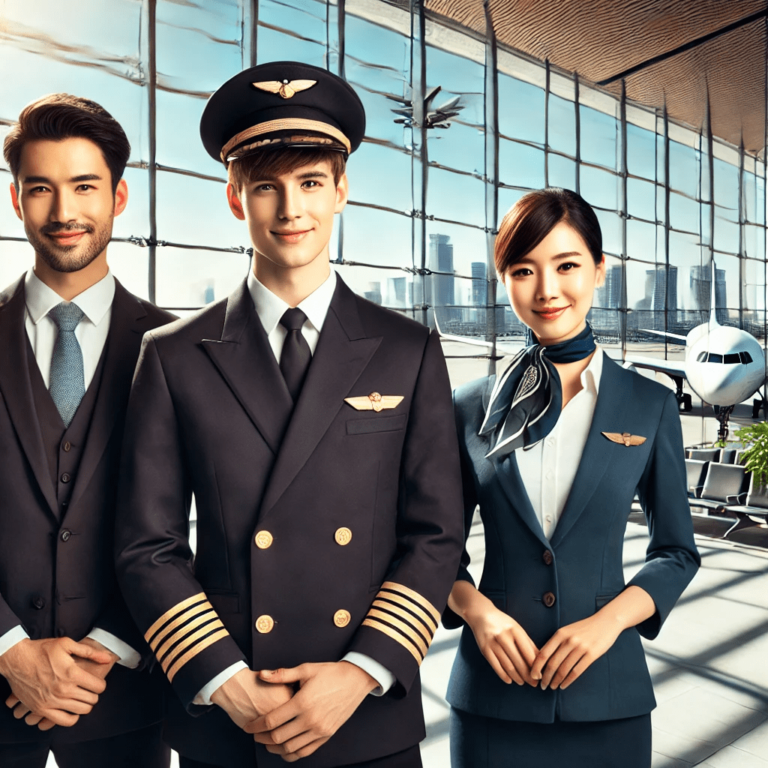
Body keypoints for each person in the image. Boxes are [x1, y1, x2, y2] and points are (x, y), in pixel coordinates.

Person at [114, 61, 464, 768]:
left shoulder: (409, 350)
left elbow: (437, 534)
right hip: (230, 711)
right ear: (235, 199)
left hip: (366, 714)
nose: (290, 210)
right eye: (266, 187)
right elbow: (147, 546)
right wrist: (224, 680)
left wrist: (361, 672)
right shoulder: (173, 354)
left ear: (342, 190)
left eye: (309, 183)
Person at [445, 188, 700, 768]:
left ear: (599, 269)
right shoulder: (468, 407)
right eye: (523, 270)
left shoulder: (649, 403)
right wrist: (479, 614)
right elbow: (433, 551)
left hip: (609, 695)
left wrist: (607, 623)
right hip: (492, 696)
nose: (546, 290)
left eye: (566, 266)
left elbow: (676, 552)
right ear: (502, 278)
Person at [0, 94, 174, 767]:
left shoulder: (182, 348)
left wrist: (106, 650)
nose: (64, 212)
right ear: (17, 201)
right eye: (41, 189)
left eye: (84, 187)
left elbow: (204, 525)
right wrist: (10, 649)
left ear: (119, 196)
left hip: (124, 693)